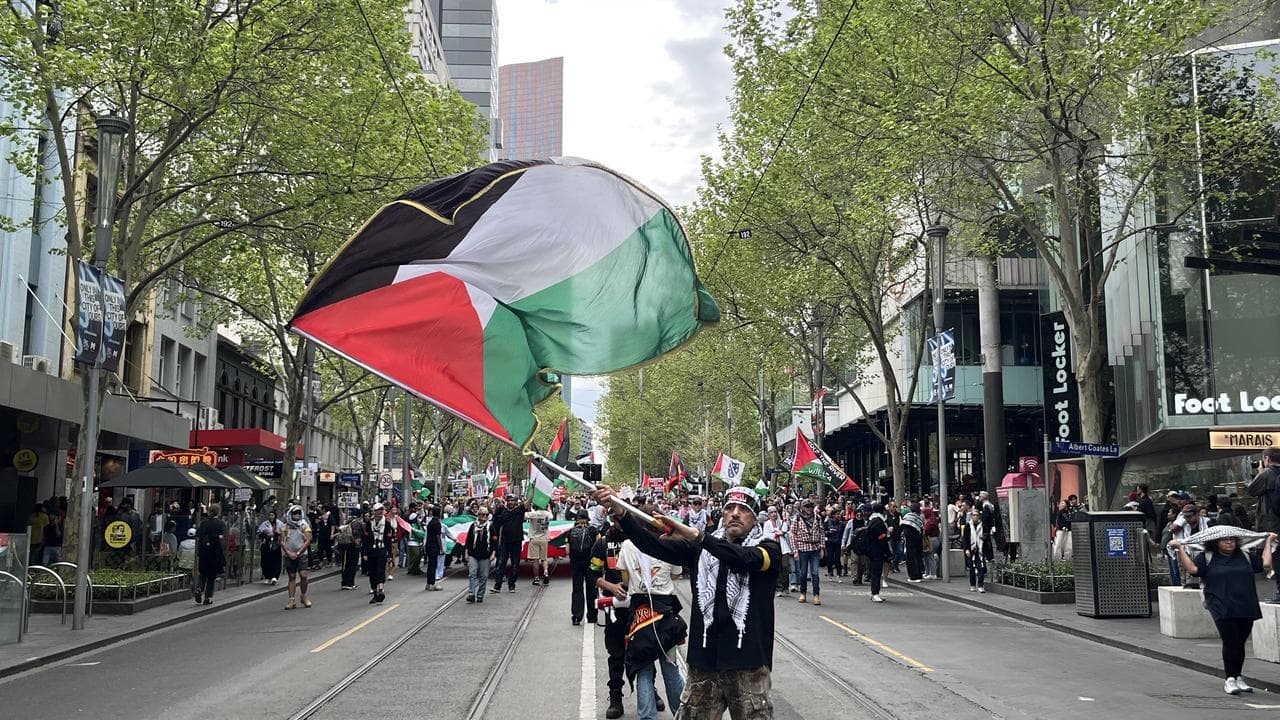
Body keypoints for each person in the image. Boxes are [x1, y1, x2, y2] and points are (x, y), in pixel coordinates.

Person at [595, 484, 781, 720]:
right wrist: (622, 513)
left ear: (754, 518)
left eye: (743, 509)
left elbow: (744, 559)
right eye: (730, 508)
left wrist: (698, 537)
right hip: (704, 661)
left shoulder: (768, 549)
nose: (735, 513)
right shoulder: (700, 549)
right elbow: (650, 544)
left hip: (749, 663)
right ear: (722, 514)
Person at [1171, 528, 1275, 695]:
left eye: (1232, 539)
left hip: (1245, 604)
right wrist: (1180, 549)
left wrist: (1268, 541)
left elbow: (1265, 564)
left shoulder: (1245, 555)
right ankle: (1230, 679)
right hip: (1220, 604)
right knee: (1230, 640)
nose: (1229, 542)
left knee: (1240, 642)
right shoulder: (1207, 557)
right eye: (1224, 540)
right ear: (1215, 542)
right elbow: (1194, 570)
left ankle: (1238, 676)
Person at [617, 505, 685, 720]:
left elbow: (625, 580)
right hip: (666, 614)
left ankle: (647, 717)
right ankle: (681, 714)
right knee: (671, 667)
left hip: (640, 615)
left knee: (643, 669)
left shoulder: (628, 545)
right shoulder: (669, 543)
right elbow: (676, 574)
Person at [591, 519, 630, 719]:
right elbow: (593, 574)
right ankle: (615, 697)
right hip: (615, 607)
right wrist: (612, 587)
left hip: (639, 604)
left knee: (644, 650)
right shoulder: (603, 543)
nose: (618, 520)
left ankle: (650, 691)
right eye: (614, 515)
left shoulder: (639, 538)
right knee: (616, 653)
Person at [1248, 447, 1280, 601]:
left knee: (1277, 557)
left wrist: (1260, 472)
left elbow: (1251, 490)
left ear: (1267, 459)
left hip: (1272, 523)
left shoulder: (1267, 473)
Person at [567, 510, 599, 625]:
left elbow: (567, 551)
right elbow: (598, 547)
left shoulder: (571, 531)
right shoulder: (593, 531)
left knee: (577, 589)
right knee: (592, 590)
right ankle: (592, 617)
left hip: (576, 564)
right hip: (590, 563)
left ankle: (576, 617)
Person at [791, 499, 824, 605]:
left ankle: (816, 595)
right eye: (807, 506)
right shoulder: (797, 518)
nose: (809, 509)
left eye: (811, 506)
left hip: (815, 548)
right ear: (802, 508)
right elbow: (793, 534)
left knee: (815, 573)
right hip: (803, 548)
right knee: (803, 572)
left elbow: (821, 533)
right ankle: (803, 593)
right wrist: (795, 550)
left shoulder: (817, 518)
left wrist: (822, 548)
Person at [492, 495, 527, 594]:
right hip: (504, 542)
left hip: (516, 542)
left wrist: (532, 489)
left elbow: (528, 502)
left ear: (516, 502)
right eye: (509, 500)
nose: (510, 502)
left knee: (515, 565)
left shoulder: (519, 510)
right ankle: (497, 585)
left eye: (512, 500)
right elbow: (497, 525)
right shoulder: (503, 512)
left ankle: (512, 585)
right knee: (500, 564)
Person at [195, 503, 226, 605]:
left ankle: (199, 588)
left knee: (202, 572)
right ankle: (208, 597)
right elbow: (223, 538)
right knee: (211, 576)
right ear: (218, 512)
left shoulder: (204, 523)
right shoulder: (221, 524)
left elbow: (198, 536)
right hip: (215, 552)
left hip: (204, 552)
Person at [282, 505, 312, 609]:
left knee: (303, 575)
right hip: (289, 555)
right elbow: (282, 541)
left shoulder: (304, 525)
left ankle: (304, 596)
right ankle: (291, 600)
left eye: (299, 513)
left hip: (301, 555)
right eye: (295, 513)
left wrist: (298, 553)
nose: (297, 515)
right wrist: (288, 553)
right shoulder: (285, 527)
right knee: (292, 576)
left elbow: (308, 540)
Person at [363, 503, 394, 604]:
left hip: (382, 549)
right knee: (372, 572)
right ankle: (375, 593)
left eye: (381, 510)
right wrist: (365, 553)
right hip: (371, 550)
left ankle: (381, 589)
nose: (380, 512)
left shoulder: (387, 524)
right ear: (374, 512)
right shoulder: (369, 524)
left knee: (380, 570)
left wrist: (390, 555)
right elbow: (366, 539)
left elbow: (388, 540)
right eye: (378, 510)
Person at [463, 505, 494, 603]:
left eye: (486, 515)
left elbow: (494, 542)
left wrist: (493, 553)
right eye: (482, 514)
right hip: (473, 554)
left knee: (483, 576)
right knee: (472, 573)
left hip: (485, 555)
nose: (484, 516)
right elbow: (468, 540)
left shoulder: (490, 527)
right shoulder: (473, 526)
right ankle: (471, 593)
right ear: (478, 515)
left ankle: (480, 595)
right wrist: (466, 553)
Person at [762, 507, 792, 596]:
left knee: (785, 566)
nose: (774, 514)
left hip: (783, 547)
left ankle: (786, 586)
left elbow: (785, 530)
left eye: (775, 512)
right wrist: (775, 534)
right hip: (774, 547)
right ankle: (779, 588)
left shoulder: (781, 522)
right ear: (769, 514)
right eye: (771, 512)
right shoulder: (767, 524)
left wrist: (785, 520)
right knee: (777, 568)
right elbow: (765, 535)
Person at [865, 504, 891, 602]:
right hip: (877, 550)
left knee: (875, 571)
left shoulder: (872, 520)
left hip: (872, 550)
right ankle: (875, 593)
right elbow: (881, 537)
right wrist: (888, 536)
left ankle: (874, 593)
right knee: (876, 572)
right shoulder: (878, 522)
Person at [962, 507, 992, 593]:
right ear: (971, 516)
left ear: (979, 516)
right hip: (971, 549)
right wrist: (966, 549)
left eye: (977, 515)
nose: (975, 516)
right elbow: (965, 539)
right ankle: (972, 585)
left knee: (981, 568)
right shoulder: (968, 526)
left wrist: (984, 538)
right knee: (972, 568)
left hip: (980, 549)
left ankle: (981, 585)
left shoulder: (983, 525)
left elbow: (987, 538)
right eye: (974, 515)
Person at [527, 502, 554, 586]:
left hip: (534, 539)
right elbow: (552, 516)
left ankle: (536, 578)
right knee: (544, 559)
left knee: (535, 560)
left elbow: (525, 515)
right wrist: (549, 507)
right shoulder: (548, 514)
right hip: (544, 539)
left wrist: (530, 507)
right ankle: (546, 572)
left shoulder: (533, 514)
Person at [336, 509, 362, 590]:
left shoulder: (348, 521)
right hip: (353, 545)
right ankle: (350, 582)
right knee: (353, 564)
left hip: (345, 545)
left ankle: (345, 582)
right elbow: (356, 534)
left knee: (346, 564)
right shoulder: (357, 522)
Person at [258, 510, 284, 585]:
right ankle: (267, 576)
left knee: (276, 560)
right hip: (266, 543)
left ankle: (275, 576)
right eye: (269, 515)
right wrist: (266, 535)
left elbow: (284, 531)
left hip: (276, 544)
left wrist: (278, 534)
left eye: (272, 515)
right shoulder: (264, 524)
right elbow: (259, 533)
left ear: (275, 516)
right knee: (265, 561)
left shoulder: (279, 523)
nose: (271, 516)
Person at [423, 505, 444, 591]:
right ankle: (432, 583)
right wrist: (441, 547)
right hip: (434, 546)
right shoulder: (437, 523)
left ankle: (428, 583)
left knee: (430, 565)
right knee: (433, 565)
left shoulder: (430, 522)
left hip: (429, 545)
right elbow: (438, 536)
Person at [40, 502, 64, 567]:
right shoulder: (47, 526)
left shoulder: (60, 526)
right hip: (48, 546)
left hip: (57, 546)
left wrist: (56, 524)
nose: (51, 516)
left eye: (53, 515)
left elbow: (58, 534)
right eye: (50, 515)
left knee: (58, 564)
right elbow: (44, 537)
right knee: (45, 563)